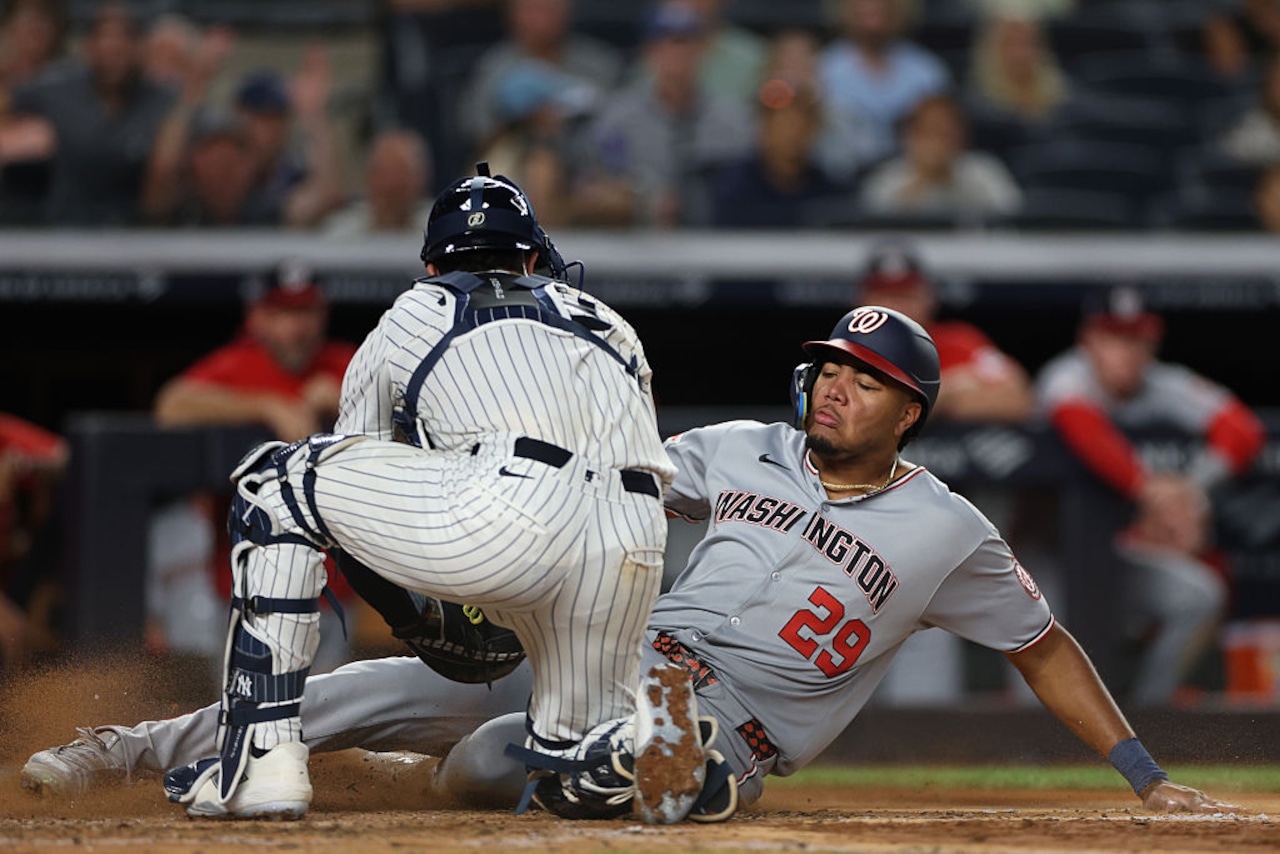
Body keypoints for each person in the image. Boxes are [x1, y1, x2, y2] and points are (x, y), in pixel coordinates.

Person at [23, 307, 1238, 818]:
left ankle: (533, 771)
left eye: (864, 379)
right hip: (608, 653)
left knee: (497, 762)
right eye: (827, 366)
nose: (833, 386)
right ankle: (120, 750)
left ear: (909, 409)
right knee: (355, 690)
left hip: (722, 726)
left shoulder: (949, 529)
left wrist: (1139, 772)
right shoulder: (738, 446)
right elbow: (605, 487)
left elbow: (1042, 644)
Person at [147, 164, 713, 824]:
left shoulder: (418, 307)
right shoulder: (610, 322)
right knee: (566, 765)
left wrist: (419, 606)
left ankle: (259, 762)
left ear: (432, 267)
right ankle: (624, 741)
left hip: (507, 512)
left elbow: (349, 479)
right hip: (632, 545)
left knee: (275, 482)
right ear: (533, 257)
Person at [1034, 287, 1266, 705]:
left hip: (1117, 554)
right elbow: (1083, 430)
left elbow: (1243, 430)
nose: (1128, 353)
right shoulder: (1066, 377)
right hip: (1048, 560)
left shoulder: (1162, 383)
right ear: (1089, 341)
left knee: (1199, 595)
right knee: (1042, 677)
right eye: (1114, 339)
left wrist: (1191, 489)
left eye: (1138, 340)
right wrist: (1153, 491)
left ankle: (1149, 711)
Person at [149, 261, 359, 672]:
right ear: (256, 317)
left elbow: (415, 414)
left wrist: (346, 399)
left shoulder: (344, 363)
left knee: (330, 711)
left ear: (323, 315)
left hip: (332, 593)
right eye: (283, 313)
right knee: (243, 709)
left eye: (306, 312)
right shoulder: (238, 365)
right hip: (247, 594)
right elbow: (170, 405)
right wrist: (266, 406)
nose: (296, 326)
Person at [576, 0, 753, 227]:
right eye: (666, 44)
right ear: (649, 52)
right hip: (637, 239)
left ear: (703, 51)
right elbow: (588, 187)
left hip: (719, 237)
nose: (676, 55)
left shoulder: (733, 121)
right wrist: (637, 199)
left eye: (685, 44)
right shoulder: (617, 117)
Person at [0, 2, 175, 225]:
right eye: (104, 38)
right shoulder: (53, 90)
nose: (113, 50)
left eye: (125, 39)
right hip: (62, 229)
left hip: (141, 231)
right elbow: (8, 107)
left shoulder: (164, 98)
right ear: (89, 45)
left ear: (141, 45)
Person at [854, 238, 1033, 423]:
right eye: (885, 296)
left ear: (929, 299)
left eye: (907, 296)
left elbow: (1018, 399)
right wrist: (947, 392)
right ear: (861, 302)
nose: (897, 308)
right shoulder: (844, 349)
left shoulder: (956, 340)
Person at [818, 0, 950, 167]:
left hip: (910, 171)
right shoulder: (824, 68)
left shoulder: (927, 71)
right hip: (840, 172)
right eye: (864, 7)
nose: (873, 15)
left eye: (881, 8)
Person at [857, 93, 1024, 223]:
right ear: (910, 136)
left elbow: (1013, 215)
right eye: (930, 131)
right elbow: (873, 225)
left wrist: (952, 177)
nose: (939, 141)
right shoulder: (887, 178)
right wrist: (923, 180)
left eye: (947, 132)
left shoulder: (984, 170)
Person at [322, 128, 434, 236]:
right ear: (369, 178)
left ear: (420, 180)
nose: (390, 185)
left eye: (401, 180)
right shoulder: (341, 233)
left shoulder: (436, 230)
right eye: (384, 174)